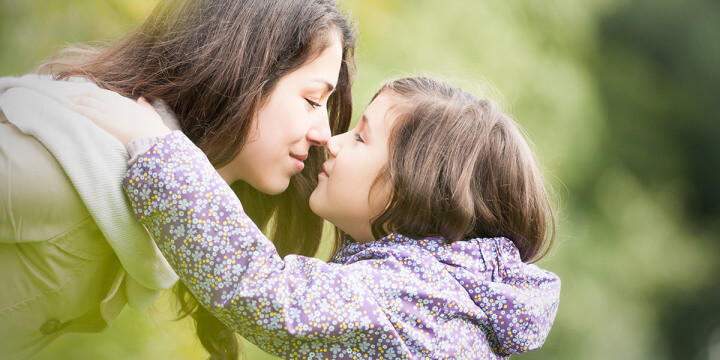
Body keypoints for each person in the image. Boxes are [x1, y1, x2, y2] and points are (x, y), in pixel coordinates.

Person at [78, 77, 561, 359]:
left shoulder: (413, 301)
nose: (332, 140)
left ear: (412, 186)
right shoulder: (438, 296)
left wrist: (156, 147)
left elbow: (264, 291)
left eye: (362, 137)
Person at [0, 0, 356, 358]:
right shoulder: (76, 162)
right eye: (312, 100)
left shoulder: (164, 217)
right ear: (238, 74)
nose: (324, 133)